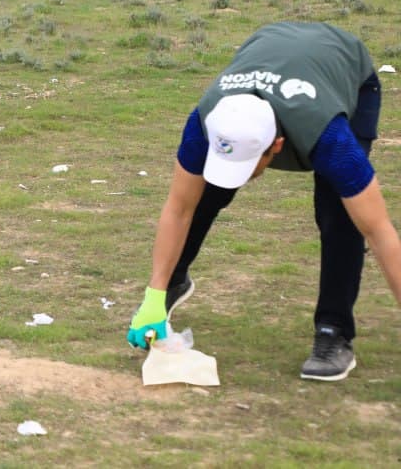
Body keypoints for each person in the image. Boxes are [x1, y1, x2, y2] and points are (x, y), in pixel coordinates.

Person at [126, 22, 401, 381]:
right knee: (207, 192)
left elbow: (380, 233)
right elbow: (178, 208)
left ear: (277, 147)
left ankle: (334, 332)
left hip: (344, 71)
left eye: (245, 165)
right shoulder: (206, 121)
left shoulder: (332, 141)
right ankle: (174, 281)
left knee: (340, 213)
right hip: (274, 47)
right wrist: (154, 293)